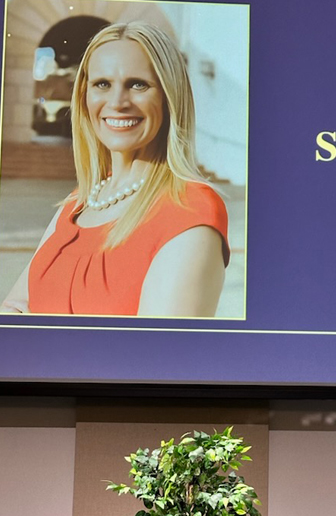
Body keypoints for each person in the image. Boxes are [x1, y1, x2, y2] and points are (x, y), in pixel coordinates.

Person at [1, 21, 229, 317]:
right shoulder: (78, 202)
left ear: (169, 96)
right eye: (102, 84)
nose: (117, 102)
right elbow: (13, 309)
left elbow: (153, 357)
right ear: (84, 96)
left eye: (138, 84)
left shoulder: (190, 210)